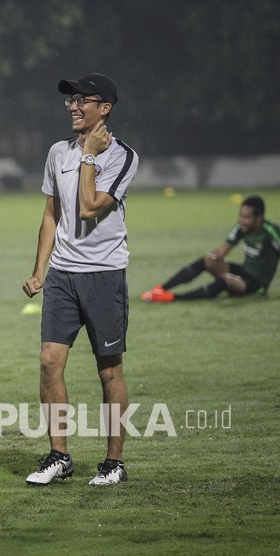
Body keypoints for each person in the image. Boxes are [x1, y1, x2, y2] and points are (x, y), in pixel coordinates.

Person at [22, 73, 139, 486]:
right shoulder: (57, 152)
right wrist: (40, 270)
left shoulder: (122, 156)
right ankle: (59, 456)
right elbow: (51, 214)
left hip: (104, 274)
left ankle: (114, 462)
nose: (73, 106)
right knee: (48, 362)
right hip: (62, 276)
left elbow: (89, 208)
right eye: (70, 101)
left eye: (83, 101)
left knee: (109, 371)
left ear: (104, 109)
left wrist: (89, 154)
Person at [141, 196, 280, 302]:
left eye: (246, 217)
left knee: (226, 279)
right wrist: (207, 262)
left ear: (259, 218)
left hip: (257, 285)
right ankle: (160, 289)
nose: (242, 220)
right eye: (241, 215)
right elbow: (221, 253)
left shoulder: (271, 233)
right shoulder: (241, 228)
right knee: (209, 260)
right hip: (245, 272)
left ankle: (171, 298)